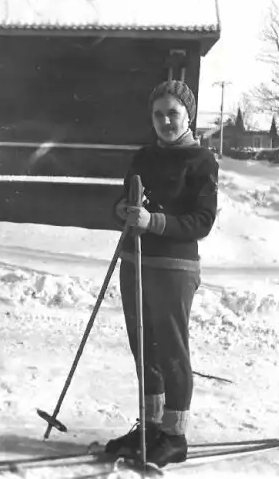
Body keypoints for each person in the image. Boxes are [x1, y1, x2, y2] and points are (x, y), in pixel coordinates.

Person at [106, 80, 219, 467]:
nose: (166, 121)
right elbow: (124, 200)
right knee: (143, 348)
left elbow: (202, 221)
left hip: (174, 267)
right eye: (158, 114)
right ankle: (150, 427)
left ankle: (174, 435)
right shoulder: (143, 157)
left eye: (173, 113)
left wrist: (152, 221)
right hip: (135, 260)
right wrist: (123, 210)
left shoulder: (201, 161)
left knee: (171, 349)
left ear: (188, 115)